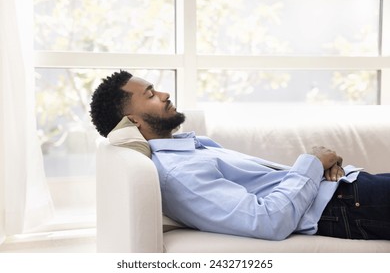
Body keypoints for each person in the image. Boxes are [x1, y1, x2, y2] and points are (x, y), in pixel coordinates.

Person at [90, 70, 390, 241]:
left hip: (348, 190)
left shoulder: (189, 147)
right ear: (133, 122)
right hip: (345, 207)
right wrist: (311, 162)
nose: (165, 95)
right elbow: (268, 220)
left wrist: (318, 168)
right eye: (151, 95)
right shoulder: (178, 172)